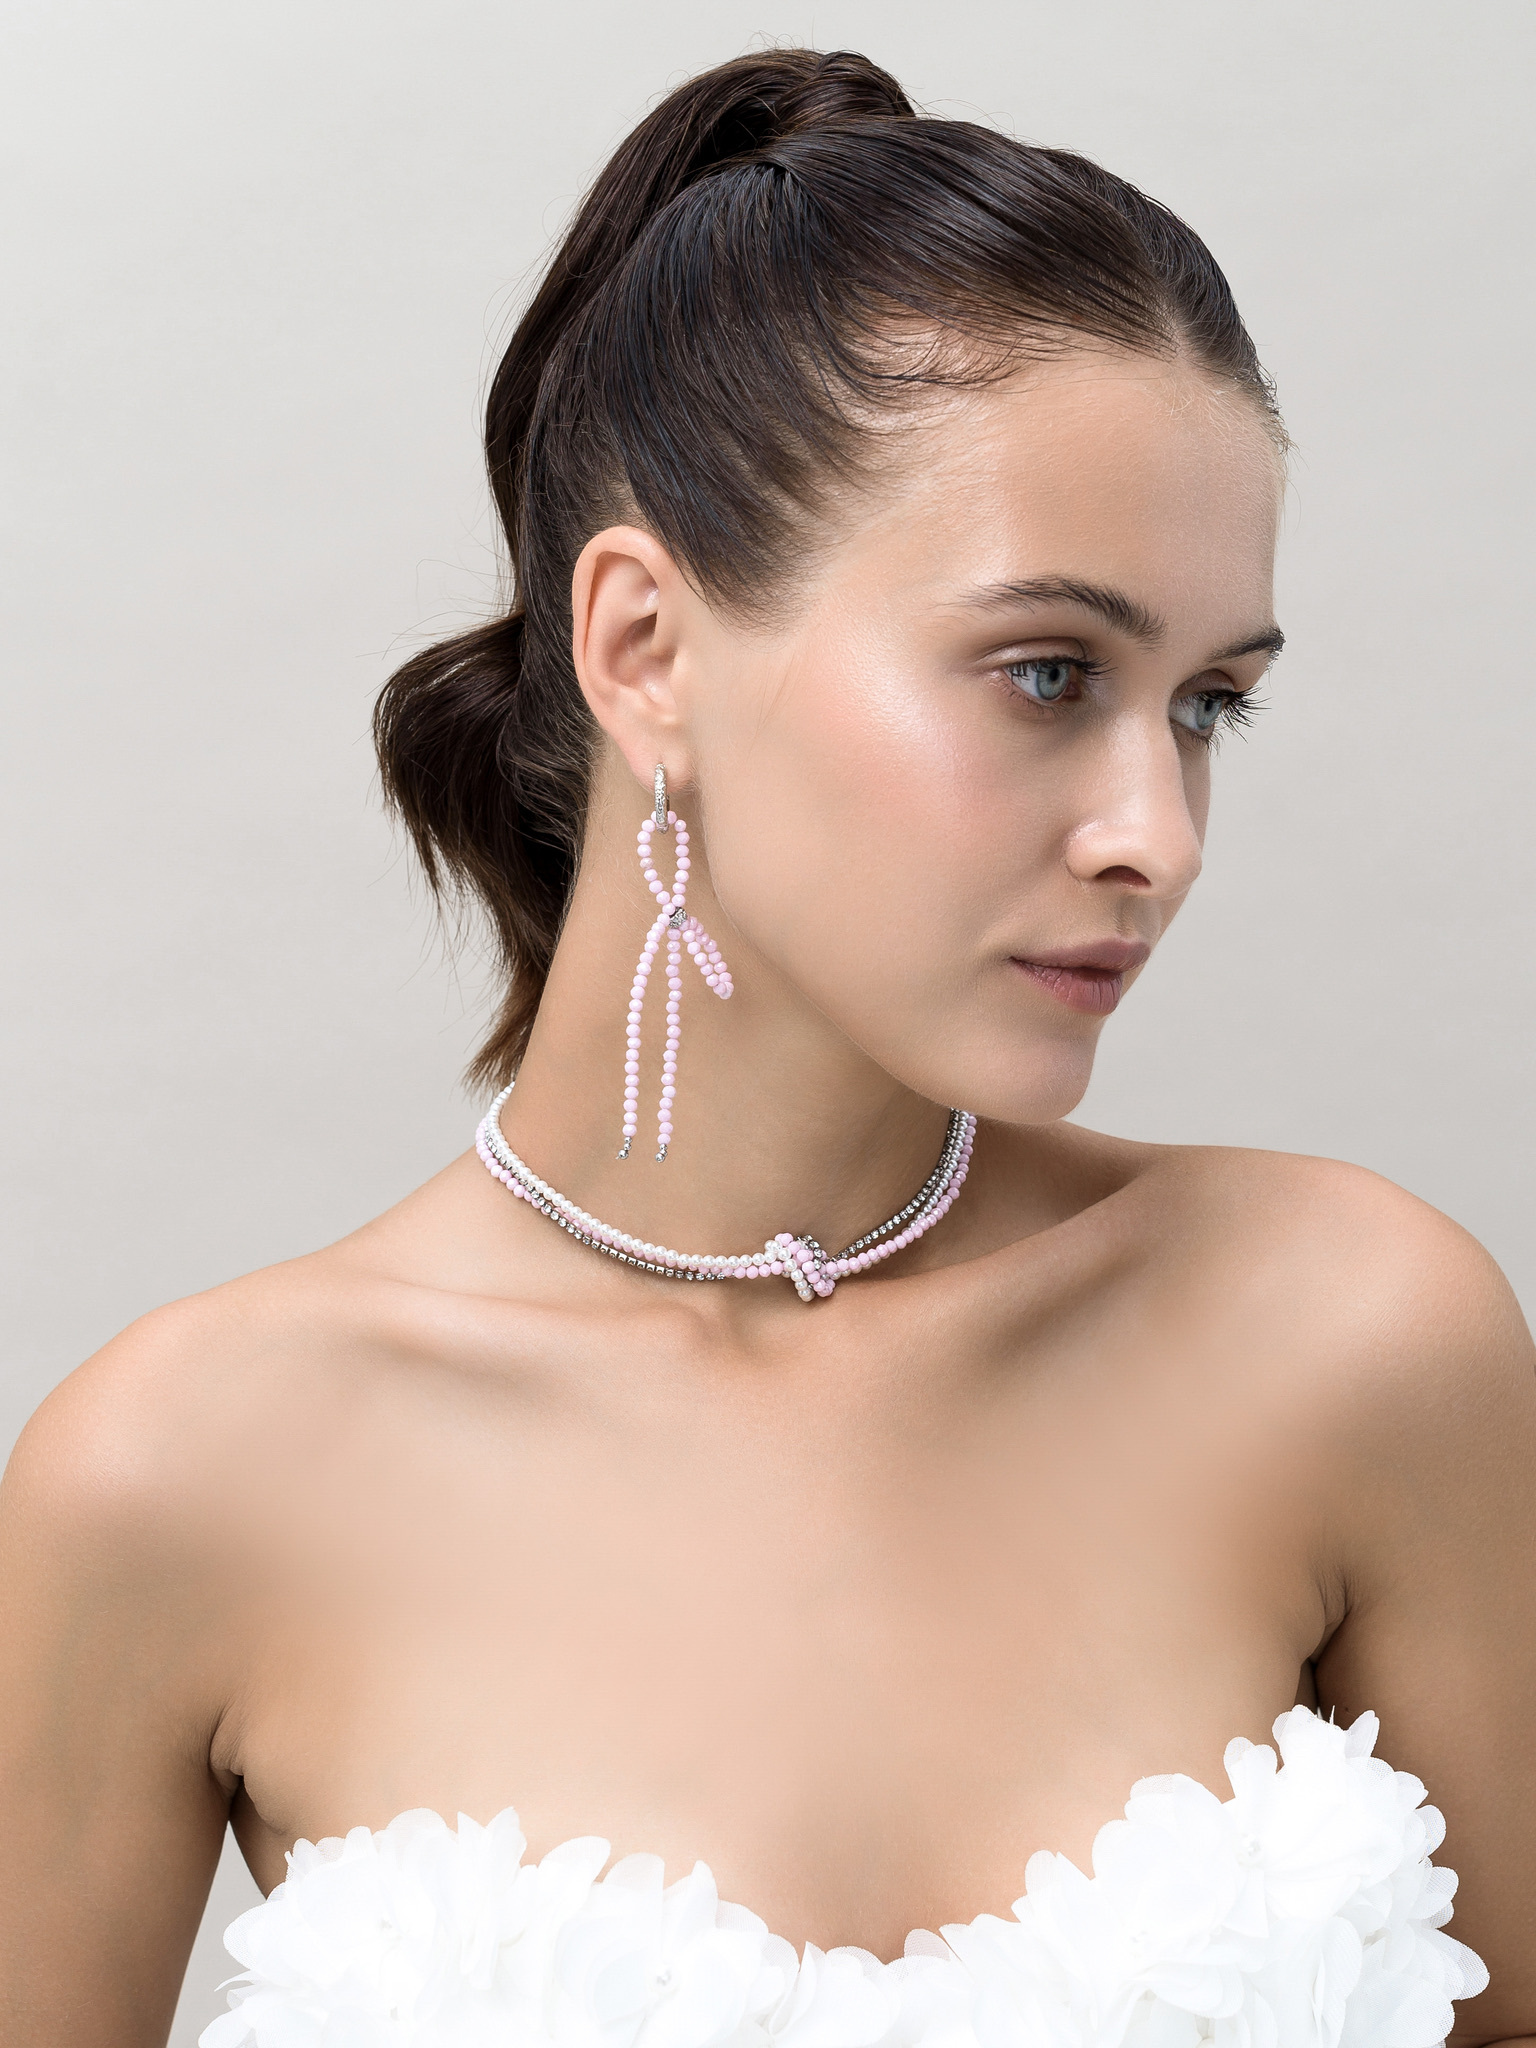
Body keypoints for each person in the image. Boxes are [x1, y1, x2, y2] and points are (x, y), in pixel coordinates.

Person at [0, 46, 1530, 2048]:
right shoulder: (174, 1479)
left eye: (1206, 704)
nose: (1155, 833)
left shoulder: (1357, 1339)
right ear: (645, 649)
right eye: (1047, 673)